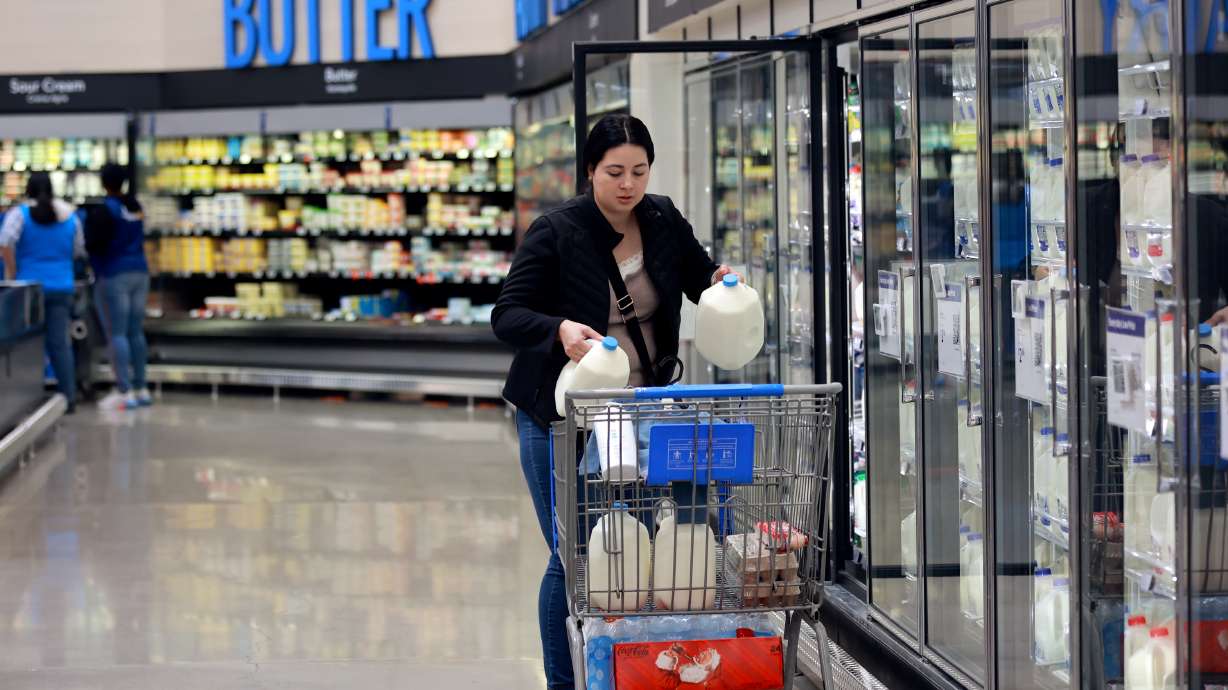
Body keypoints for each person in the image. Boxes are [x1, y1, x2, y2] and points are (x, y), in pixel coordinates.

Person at [492, 113, 733, 689]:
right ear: (590, 172)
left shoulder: (662, 216)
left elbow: (697, 278)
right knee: (574, 558)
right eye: (614, 172)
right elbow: (507, 313)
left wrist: (723, 282)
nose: (628, 185)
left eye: (639, 171)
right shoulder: (557, 230)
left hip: (642, 411)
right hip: (563, 414)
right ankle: (563, 681)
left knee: (637, 546)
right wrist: (559, 330)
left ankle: (625, 669)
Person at [0, 172, 86, 412]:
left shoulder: (20, 214)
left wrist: (12, 270)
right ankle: (68, 397)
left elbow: (5, 241)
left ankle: (27, 400)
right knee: (60, 344)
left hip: (29, 290)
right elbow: (79, 249)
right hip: (62, 286)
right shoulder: (70, 216)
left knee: (26, 345)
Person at [86, 163, 152, 410]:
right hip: (140, 272)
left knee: (117, 333)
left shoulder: (105, 211)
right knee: (136, 332)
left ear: (104, 183)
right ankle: (141, 387)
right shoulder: (135, 208)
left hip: (114, 275)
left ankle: (123, 391)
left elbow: (94, 245)